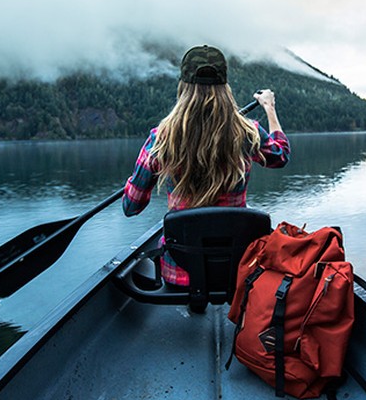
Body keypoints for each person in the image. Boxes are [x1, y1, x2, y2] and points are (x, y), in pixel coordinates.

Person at [122, 45, 290, 286]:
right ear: (225, 87)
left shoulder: (160, 139)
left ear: (183, 86)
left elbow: (131, 206)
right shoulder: (248, 132)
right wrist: (270, 109)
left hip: (180, 272)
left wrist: (140, 176)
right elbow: (280, 156)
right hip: (239, 271)